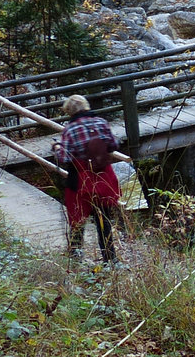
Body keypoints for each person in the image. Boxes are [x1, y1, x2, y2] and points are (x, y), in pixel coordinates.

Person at [54, 94, 122, 263]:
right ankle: (110, 258)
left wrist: (56, 147)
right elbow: (113, 145)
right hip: (103, 177)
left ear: (69, 111)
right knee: (103, 220)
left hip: (80, 180)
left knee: (78, 218)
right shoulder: (101, 122)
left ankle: (75, 254)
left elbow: (64, 158)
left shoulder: (70, 129)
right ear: (86, 106)